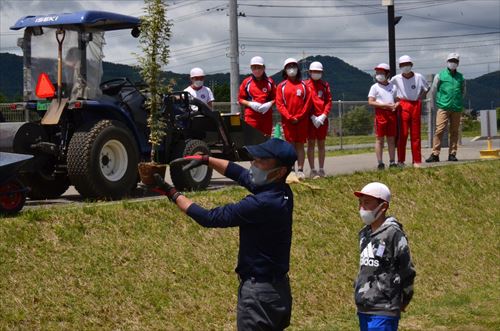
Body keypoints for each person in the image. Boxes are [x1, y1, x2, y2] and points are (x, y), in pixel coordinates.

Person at [152, 138, 297, 330]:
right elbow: (240, 174)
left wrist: (172, 193)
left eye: (261, 162)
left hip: (259, 297)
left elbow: (210, 218)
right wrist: (206, 160)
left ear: (279, 171)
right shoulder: (282, 191)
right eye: (255, 159)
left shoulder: (261, 204)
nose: (253, 165)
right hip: (278, 291)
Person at [353, 182, 416, 331]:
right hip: (364, 307)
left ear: (383, 206)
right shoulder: (364, 233)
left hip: (384, 307)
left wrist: (405, 298)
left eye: (367, 203)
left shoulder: (393, 233)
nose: (362, 208)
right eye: (360, 203)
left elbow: (407, 269)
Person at [276, 58, 312, 180]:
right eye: (289, 67)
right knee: (290, 146)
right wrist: (289, 117)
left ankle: (300, 170)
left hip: (302, 121)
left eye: (294, 66)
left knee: (300, 145)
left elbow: (308, 102)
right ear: (285, 70)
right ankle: (290, 170)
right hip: (288, 121)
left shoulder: (304, 85)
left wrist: (300, 116)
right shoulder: (281, 86)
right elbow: (279, 104)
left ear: (298, 69)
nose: (292, 69)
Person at [390, 55, 429, 167]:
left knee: (416, 134)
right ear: (399, 66)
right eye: (402, 65)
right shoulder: (395, 79)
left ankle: (416, 161)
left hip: (416, 104)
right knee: (403, 134)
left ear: (411, 65)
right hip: (403, 104)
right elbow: (390, 90)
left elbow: (427, 88)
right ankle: (401, 161)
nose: (405, 67)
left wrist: (420, 97)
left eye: (407, 64)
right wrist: (396, 100)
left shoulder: (419, 77)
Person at [426, 53, 465, 163]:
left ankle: (452, 154)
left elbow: (463, 91)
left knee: (454, 131)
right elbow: (433, 91)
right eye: (451, 60)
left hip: (456, 107)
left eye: (455, 61)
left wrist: (459, 102)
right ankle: (435, 154)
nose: (453, 63)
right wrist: (435, 105)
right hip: (443, 106)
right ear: (447, 62)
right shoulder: (440, 75)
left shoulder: (461, 77)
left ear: (458, 63)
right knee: (439, 129)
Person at [368, 63, 399, 170]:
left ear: (387, 74)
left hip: (391, 114)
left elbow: (397, 99)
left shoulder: (393, 86)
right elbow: (371, 102)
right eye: (377, 73)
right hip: (380, 114)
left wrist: (396, 105)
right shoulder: (374, 87)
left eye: (381, 73)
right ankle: (380, 162)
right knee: (379, 139)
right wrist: (384, 105)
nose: (379, 75)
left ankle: (392, 161)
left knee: (391, 139)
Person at [305, 61, 332, 178]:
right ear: (310, 72)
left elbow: (328, 101)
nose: (316, 73)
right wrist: (311, 116)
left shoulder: (325, 85)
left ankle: (321, 169)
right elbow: (304, 103)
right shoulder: (305, 85)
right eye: (314, 71)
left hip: (322, 120)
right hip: (310, 120)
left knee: (321, 144)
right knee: (311, 144)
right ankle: (312, 170)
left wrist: (324, 115)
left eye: (318, 72)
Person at [238, 56, 276, 136]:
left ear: (264, 68)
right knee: (252, 140)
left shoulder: (270, 82)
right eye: (254, 67)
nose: (257, 70)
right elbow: (240, 99)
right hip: (251, 116)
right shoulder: (246, 82)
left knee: (266, 139)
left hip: (266, 116)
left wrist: (269, 104)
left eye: (259, 67)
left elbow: (276, 98)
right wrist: (250, 104)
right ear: (251, 68)